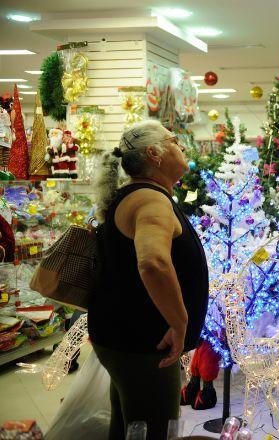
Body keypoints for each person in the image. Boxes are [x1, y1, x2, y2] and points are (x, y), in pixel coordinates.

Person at [88, 120, 209, 440]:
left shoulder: (139, 195)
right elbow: (153, 263)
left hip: (129, 337)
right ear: (154, 154)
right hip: (145, 342)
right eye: (175, 141)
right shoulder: (149, 199)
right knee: (153, 428)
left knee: (131, 425)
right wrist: (180, 321)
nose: (182, 147)